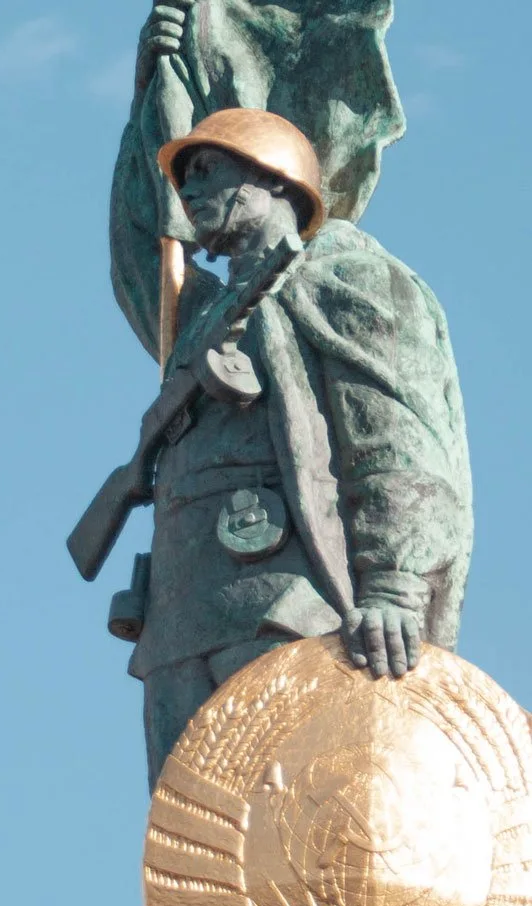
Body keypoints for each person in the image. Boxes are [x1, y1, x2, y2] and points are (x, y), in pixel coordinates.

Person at [119, 106, 473, 797]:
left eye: (207, 170)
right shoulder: (196, 318)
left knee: (301, 822)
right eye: (183, 177)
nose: (188, 194)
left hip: (288, 595)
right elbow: (135, 242)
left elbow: (396, 436)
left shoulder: (340, 276)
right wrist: (148, 94)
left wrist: (395, 584)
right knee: (194, 845)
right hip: (181, 617)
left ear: (274, 177)